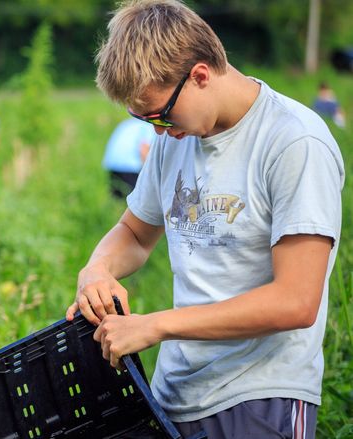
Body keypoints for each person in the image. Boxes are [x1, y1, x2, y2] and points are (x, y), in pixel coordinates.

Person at [66, 1, 344, 438]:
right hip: (175, 392)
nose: (156, 131)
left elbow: (296, 301)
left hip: (260, 397)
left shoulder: (294, 141)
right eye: (142, 119)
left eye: (160, 115)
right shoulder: (175, 139)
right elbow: (135, 233)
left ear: (199, 75)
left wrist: (155, 325)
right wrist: (96, 270)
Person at [102, 118, 156, 198]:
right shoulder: (149, 126)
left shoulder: (127, 123)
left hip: (112, 165)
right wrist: (152, 175)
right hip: (131, 167)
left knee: (118, 199)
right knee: (135, 201)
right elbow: (144, 150)